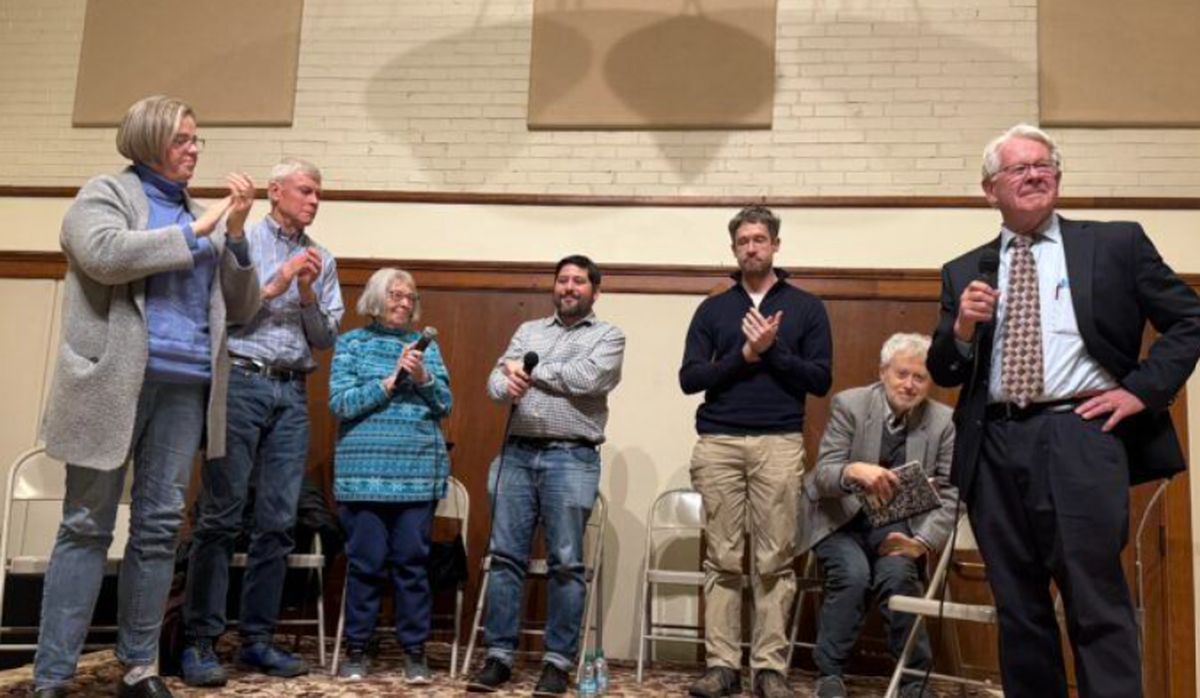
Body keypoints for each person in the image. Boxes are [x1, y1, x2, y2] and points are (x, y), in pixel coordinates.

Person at [926, 123, 1200, 698]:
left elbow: (1189, 319)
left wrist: (1142, 391)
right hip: (994, 448)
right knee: (1019, 610)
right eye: (1018, 168)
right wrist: (962, 327)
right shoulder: (964, 270)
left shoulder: (1116, 243)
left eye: (1044, 164)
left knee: (1095, 600)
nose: (1034, 174)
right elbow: (947, 370)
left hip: (1080, 433)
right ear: (989, 189)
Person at [33, 95, 260, 698]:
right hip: (112, 384)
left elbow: (241, 307)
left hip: (186, 388)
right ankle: (53, 675)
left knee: (159, 530)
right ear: (150, 139)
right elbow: (107, 256)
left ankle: (139, 667)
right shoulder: (105, 194)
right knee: (86, 525)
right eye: (184, 138)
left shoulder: (200, 214)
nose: (194, 149)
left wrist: (235, 238)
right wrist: (201, 227)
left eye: (196, 140)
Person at [180, 157, 344, 686]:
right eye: (305, 190)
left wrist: (307, 294)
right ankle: (201, 641)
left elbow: (324, 337)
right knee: (221, 517)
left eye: (318, 193)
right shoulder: (239, 237)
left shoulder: (324, 258)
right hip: (242, 381)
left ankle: (257, 640)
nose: (314, 200)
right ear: (275, 192)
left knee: (277, 522)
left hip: (292, 391)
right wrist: (278, 282)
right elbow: (230, 314)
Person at [680, 206, 832, 698]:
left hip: (779, 443)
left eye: (760, 239)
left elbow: (820, 379)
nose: (751, 247)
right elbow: (690, 379)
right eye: (743, 240)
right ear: (733, 249)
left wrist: (773, 351)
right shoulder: (714, 309)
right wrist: (744, 356)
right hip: (720, 442)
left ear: (775, 246)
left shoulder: (806, 307)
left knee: (774, 561)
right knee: (722, 559)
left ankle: (770, 669)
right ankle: (722, 666)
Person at [466, 255, 625, 697]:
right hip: (516, 456)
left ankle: (557, 663)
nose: (568, 287)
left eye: (578, 281)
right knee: (505, 559)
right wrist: (507, 380)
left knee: (566, 563)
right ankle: (498, 656)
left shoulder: (609, 335)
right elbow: (495, 384)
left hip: (572, 458)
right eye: (562, 280)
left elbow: (590, 379)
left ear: (595, 290)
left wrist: (530, 372)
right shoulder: (527, 331)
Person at [797, 333, 956, 698]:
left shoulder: (943, 421)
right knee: (853, 574)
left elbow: (951, 493)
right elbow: (823, 476)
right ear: (883, 372)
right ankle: (830, 674)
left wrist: (922, 543)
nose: (910, 384)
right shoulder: (850, 405)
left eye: (920, 377)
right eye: (902, 374)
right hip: (841, 522)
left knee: (900, 575)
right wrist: (853, 470)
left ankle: (914, 682)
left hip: (899, 530)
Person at [327, 268, 452, 682]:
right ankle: (357, 649)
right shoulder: (351, 344)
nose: (404, 303)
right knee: (365, 565)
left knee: (412, 565)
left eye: (410, 297)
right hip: (363, 477)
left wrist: (422, 377)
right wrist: (388, 382)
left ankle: (414, 652)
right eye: (396, 295)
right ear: (376, 300)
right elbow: (341, 403)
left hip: (416, 475)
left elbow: (445, 403)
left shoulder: (426, 349)